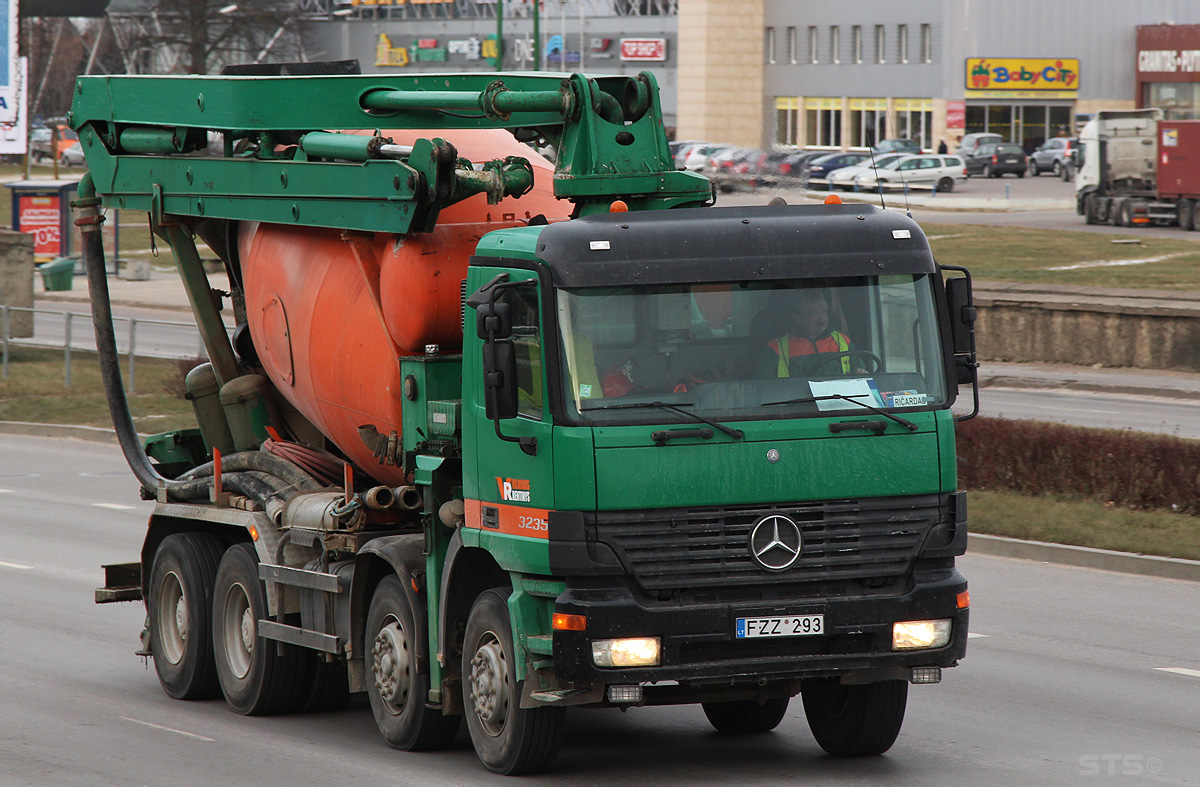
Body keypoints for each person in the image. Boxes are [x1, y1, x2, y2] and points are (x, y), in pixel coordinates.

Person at [758, 289, 854, 378]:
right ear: (797, 318)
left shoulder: (844, 342)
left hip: (839, 397)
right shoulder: (775, 349)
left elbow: (858, 374)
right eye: (813, 313)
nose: (821, 319)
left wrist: (861, 373)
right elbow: (761, 390)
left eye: (824, 312)